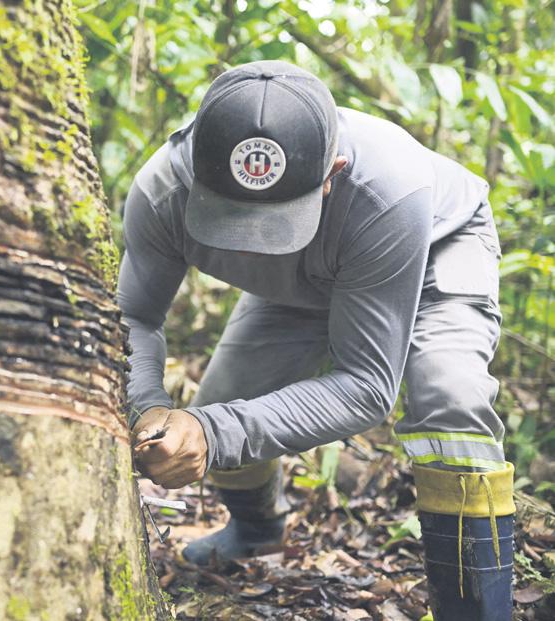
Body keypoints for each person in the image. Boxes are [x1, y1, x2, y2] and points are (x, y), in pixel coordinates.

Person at [119, 60, 514, 621]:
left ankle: (475, 608)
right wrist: (150, 406)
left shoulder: (389, 187)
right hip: (302, 285)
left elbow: (366, 387)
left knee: (449, 399)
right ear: (196, 172)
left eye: (273, 223)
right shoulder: (163, 191)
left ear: (334, 170)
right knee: (225, 407)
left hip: (431, 252)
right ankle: (256, 532)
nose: (254, 246)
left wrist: (215, 431)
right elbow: (134, 315)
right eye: (233, 220)